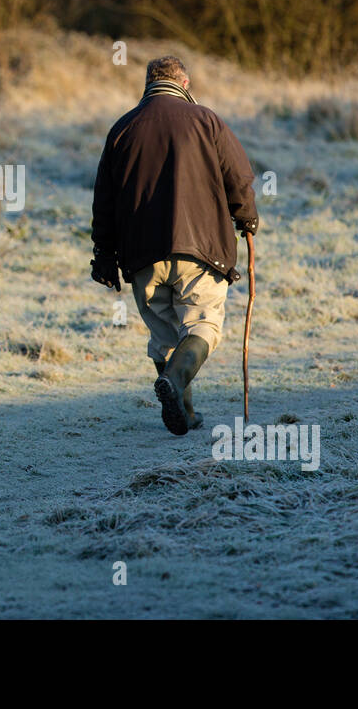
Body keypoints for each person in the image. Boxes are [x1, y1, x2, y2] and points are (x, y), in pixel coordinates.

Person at [90, 56, 259, 435]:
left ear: (148, 84)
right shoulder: (206, 120)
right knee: (202, 326)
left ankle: (184, 411)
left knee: (165, 336)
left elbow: (104, 200)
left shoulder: (122, 129)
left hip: (142, 256)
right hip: (201, 250)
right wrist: (246, 216)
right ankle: (175, 385)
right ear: (184, 82)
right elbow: (238, 175)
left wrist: (104, 255)